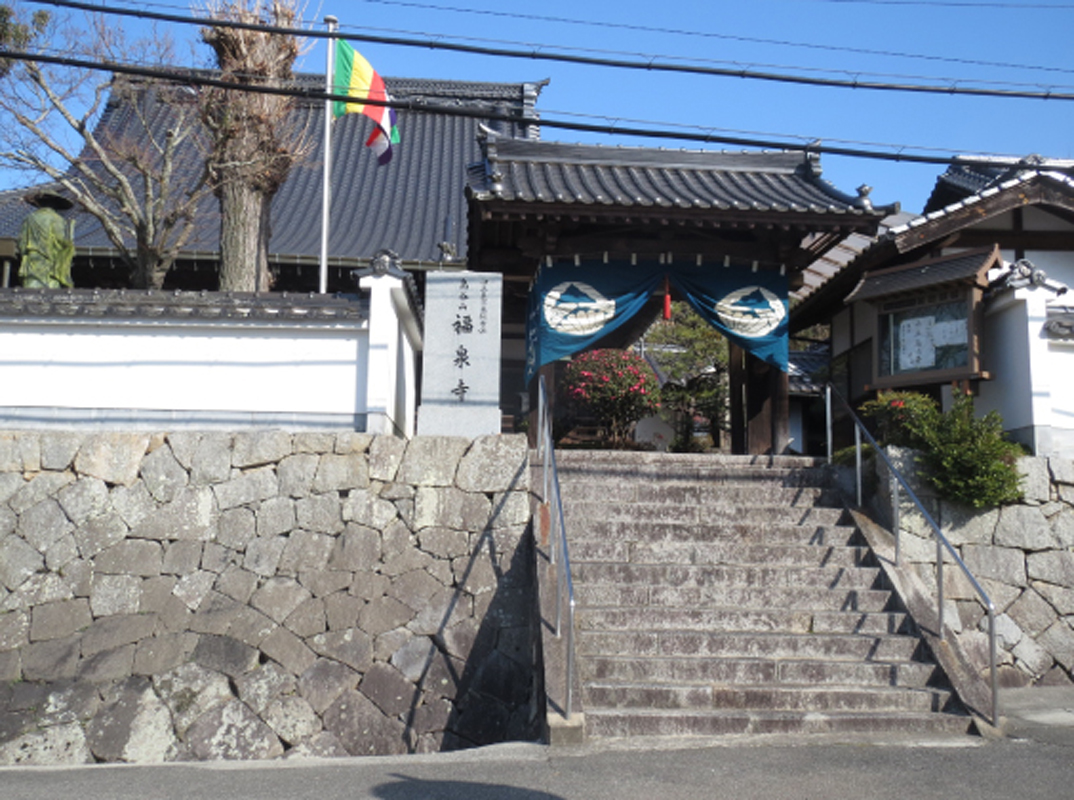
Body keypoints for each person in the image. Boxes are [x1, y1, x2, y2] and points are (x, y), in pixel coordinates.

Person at [18, 190, 75, 288]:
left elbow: (21, 243)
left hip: (32, 258)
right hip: (50, 260)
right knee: (50, 289)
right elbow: (60, 239)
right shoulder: (57, 219)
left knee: (30, 288)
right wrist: (68, 245)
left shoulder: (29, 218)